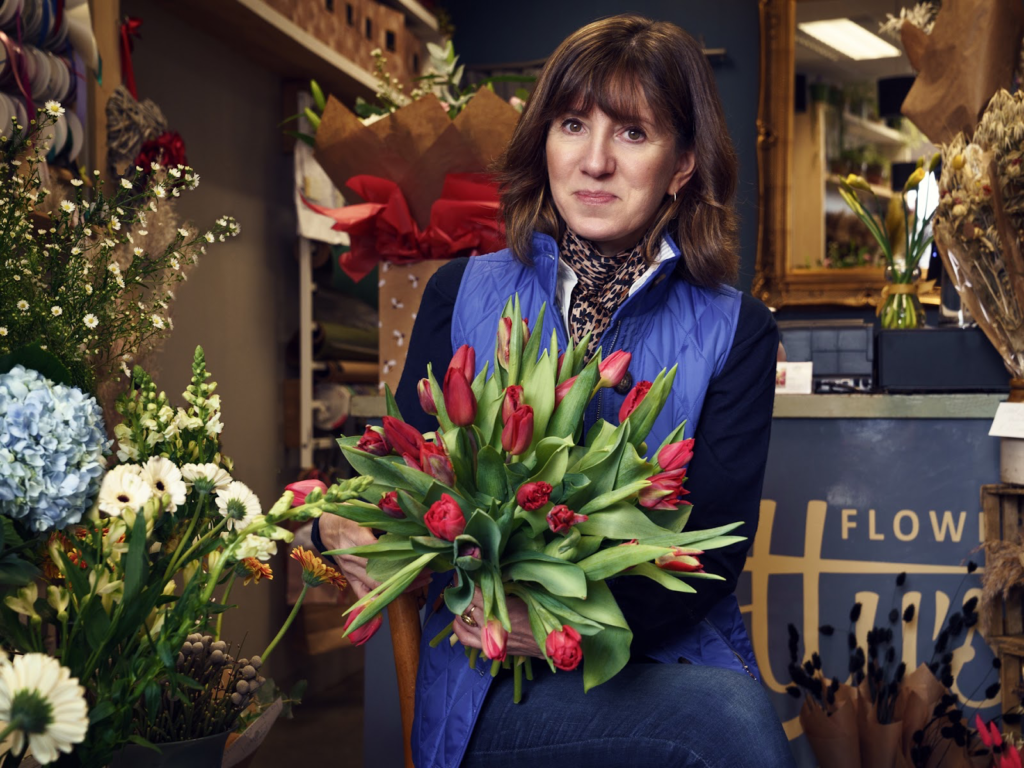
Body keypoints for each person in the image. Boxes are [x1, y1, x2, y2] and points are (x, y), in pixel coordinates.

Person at [316, 14, 794, 768]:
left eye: (633, 134)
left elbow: (712, 551)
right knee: (730, 729)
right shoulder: (461, 292)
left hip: (657, 658)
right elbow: (397, 487)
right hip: (492, 673)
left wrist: (579, 625)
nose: (595, 161)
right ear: (545, 141)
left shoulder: (739, 329)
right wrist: (331, 529)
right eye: (574, 124)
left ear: (682, 164)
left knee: (727, 722)